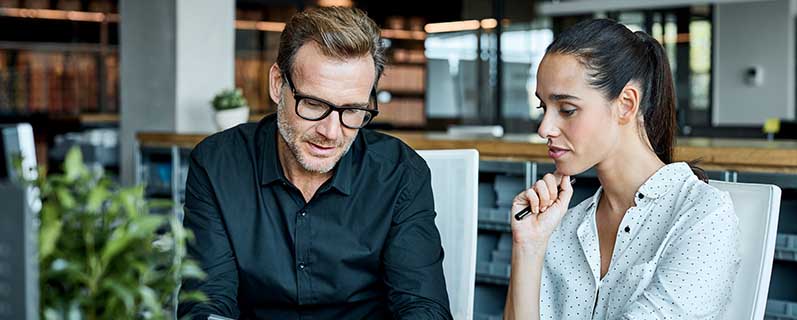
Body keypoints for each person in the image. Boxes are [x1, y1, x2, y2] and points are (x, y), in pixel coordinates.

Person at [178, 7, 451, 320]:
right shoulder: (217, 165)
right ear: (277, 83)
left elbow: (423, 308)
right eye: (314, 104)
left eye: (353, 110)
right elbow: (205, 303)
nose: (331, 133)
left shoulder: (400, 173)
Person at [504, 19, 740, 319]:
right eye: (543, 108)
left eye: (566, 110)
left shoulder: (703, 217)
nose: (544, 128)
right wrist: (528, 247)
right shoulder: (561, 226)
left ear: (626, 104)